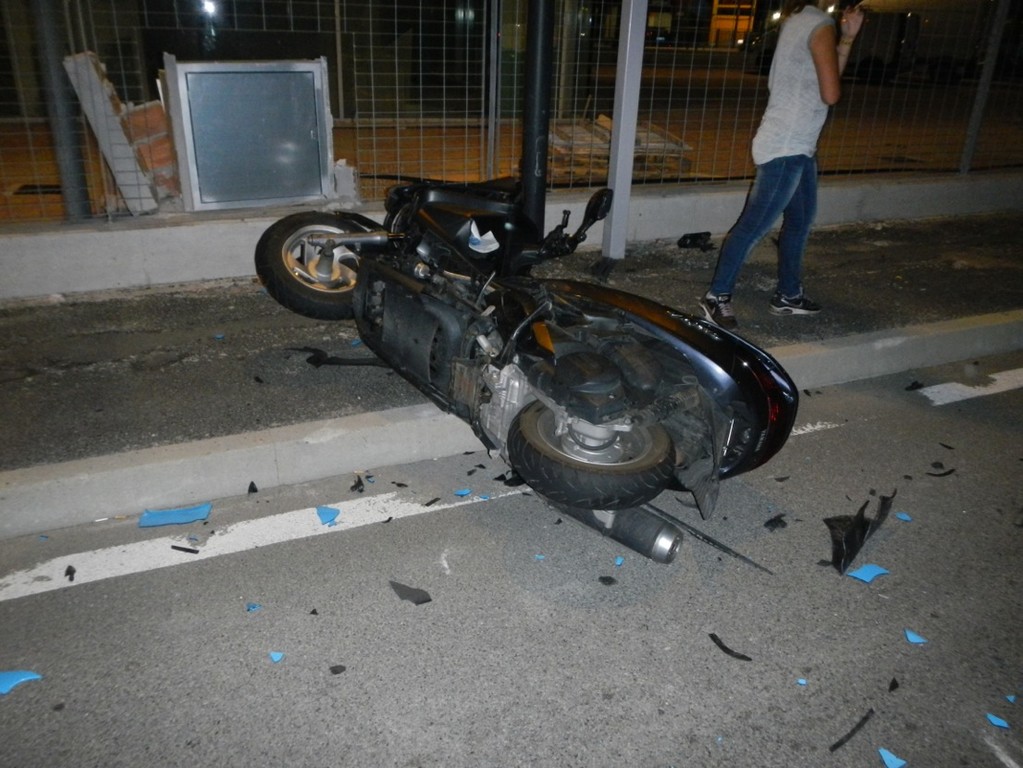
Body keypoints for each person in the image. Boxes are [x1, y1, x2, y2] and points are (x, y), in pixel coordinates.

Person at [700, 0, 865, 330]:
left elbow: (822, 79)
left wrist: (847, 38)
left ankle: (789, 294)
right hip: (787, 146)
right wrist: (841, 38)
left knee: (799, 222)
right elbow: (831, 93)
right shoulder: (819, 25)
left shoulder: (799, 19)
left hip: (798, 145)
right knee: (753, 227)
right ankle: (716, 296)